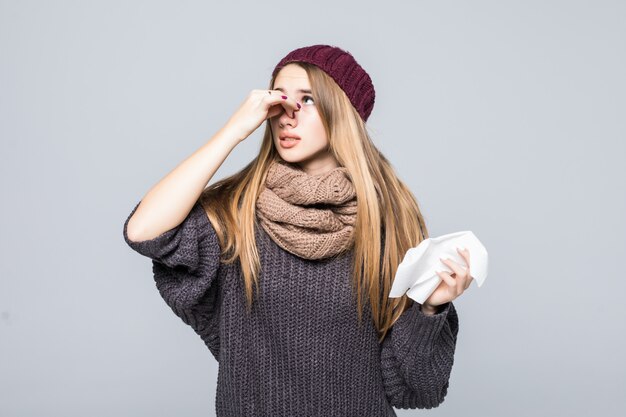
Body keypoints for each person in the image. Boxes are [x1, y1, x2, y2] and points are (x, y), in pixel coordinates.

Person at [123, 44, 473, 417]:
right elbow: (144, 231)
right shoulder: (237, 212)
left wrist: (431, 308)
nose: (287, 116)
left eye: (307, 100)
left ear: (343, 113)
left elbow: (417, 388)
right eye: (279, 100)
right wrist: (233, 132)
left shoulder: (389, 220)